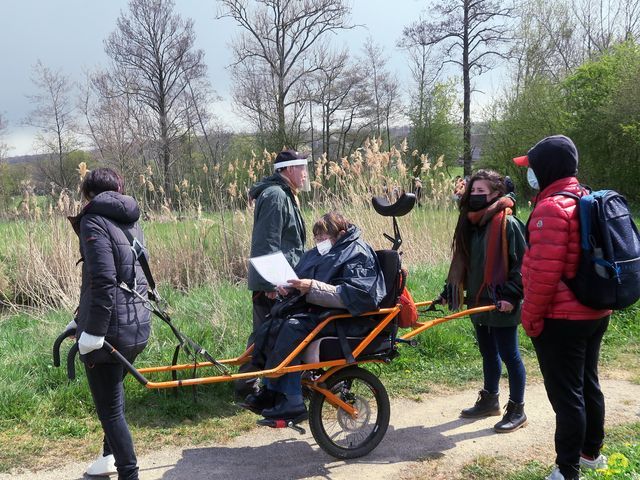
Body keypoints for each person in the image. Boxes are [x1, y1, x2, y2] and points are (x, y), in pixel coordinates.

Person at [513, 135, 612, 480]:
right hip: (595, 310)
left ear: (547, 168)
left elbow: (542, 275)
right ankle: (590, 454)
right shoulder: (584, 196)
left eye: (533, 168)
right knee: (588, 384)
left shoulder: (551, 208)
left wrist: (530, 319)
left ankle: (567, 469)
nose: (530, 174)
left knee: (567, 395)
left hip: (563, 318)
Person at [241, 212, 386, 419]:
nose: (319, 243)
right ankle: (270, 389)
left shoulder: (358, 253)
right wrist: (287, 288)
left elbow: (358, 295)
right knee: (273, 322)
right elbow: (299, 280)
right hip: (317, 313)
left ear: (341, 234)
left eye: (323, 238)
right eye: (316, 238)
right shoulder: (318, 253)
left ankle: (292, 400)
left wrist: (311, 287)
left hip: (343, 318)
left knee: (291, 327)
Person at [67, 168, 151, 480]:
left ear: (88, 194)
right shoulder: (129, 218)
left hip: (111, 327)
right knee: (112, 396)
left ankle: (128, 473)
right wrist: (81, 316)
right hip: (136, 323)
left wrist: (94, 331)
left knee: (110, 410)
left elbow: (103, 279)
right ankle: (107, 458)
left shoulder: (93, 219)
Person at [442, 169, 528, 433]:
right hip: (479, 301)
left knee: (509, 354)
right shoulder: (470, 224)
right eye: (473, 191)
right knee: (488, 352)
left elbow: (523, 265)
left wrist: (512, 295)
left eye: (482, 192)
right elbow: (465, 263)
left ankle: (517, 409)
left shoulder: (508, 224)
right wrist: (450, 291)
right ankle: (490, 400)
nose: (476, 196)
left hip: (502, 302)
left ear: (496, 194)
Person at [237, 149, 309, 398]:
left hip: (284, 278)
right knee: (265, 334)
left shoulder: (285, 194)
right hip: (274, 282)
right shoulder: (276, 196)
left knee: (269, 332)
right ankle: (248, 384)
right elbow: (266, 243)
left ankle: (268, 381)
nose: (304, 174)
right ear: (289, 169)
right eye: (301, 168)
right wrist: (270, 283)